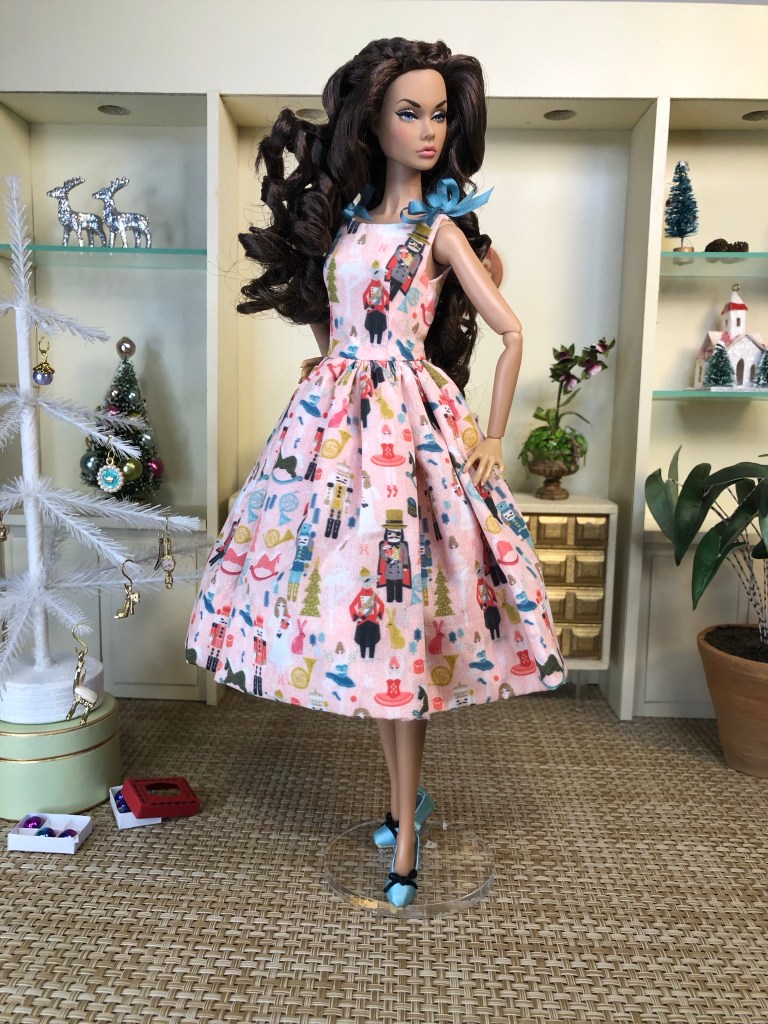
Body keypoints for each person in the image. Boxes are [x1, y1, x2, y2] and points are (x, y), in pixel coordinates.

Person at [186, 37, 566, 909]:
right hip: (337, 434)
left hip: (413, 430)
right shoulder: (345, 228)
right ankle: (402, 810)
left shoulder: (438, 232)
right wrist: (330, 373)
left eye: (440, 116)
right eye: (410, 113)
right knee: (361, 605)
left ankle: (407, 830)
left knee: (408, 619)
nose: (428, 131)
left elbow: (512, 333)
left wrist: (493, 436)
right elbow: (329, 318)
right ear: (372, 122)